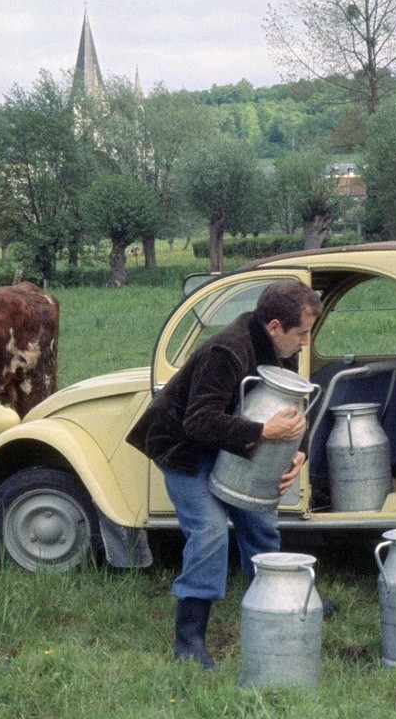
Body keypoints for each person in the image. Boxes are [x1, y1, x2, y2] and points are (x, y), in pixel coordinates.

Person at [125, 279, 323, 669]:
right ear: (274, 327)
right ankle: (189, 638)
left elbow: (294, 404)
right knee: (210, 531)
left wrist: (298, 453)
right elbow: (198, 422)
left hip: (226, 443)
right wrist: (263, 432)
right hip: (183, 447)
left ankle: (274, 600)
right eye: (300, 333)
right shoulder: (226, 351)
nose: (305, 342)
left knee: (259, 519)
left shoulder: (280, 347)